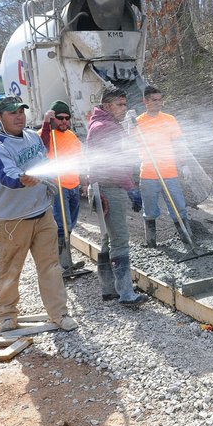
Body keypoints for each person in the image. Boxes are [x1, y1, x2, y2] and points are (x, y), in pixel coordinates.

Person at [0, 96, 77, 332]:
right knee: (9, 269)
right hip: (13, 221)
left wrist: (47, 178)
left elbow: (43, 160)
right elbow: (7, 177)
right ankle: (6, 314)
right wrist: (24, 179)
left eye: (21, 111)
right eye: (12, 113)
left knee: (51, 267)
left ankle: (59, 313)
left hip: (43, 214)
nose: (19, 116)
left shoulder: (32, 137)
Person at [86, 87, 148, 307]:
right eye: (119, 105)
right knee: (120, 240)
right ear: (106, 106)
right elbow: (115, 164)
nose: (124, 108)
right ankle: (126, 294)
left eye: (125, 104)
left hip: (100, 187)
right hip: (111, 188)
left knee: (106, 239)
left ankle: (109, 288)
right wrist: (131, 187)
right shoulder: (106, 127)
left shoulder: (99, 124)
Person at [136, 85, 193, 247]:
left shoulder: (169, 120)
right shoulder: (138, 122)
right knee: (150, 210)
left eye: (160, 100)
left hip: (169, 173)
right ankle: (151, 243)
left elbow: (179, 144)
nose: (158, 103)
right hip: (148, 174)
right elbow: (129, 145)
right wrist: (129, 126)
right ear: (145, 101)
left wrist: (184, 165)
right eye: (154, 100)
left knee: (179, 207)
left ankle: (188, 239)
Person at [39, 100, 86, 275]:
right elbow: (40, 150)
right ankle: (62, 264)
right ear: (53, 118)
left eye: (67, 118)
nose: (64, 121)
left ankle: (67, 261)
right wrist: (46, 124)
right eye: (60, 118)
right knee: (61, 225)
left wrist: (83, 182)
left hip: (73, 186)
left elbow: (79, 159)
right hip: (58, 187)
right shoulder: (46, 134)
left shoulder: (72, 136)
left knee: (70, 224)